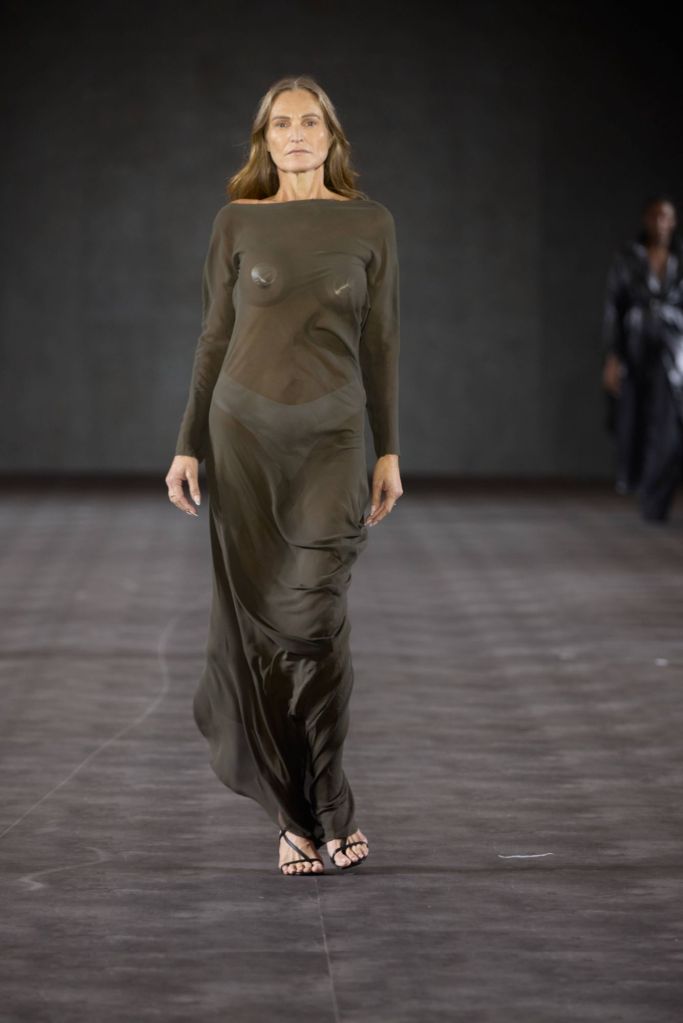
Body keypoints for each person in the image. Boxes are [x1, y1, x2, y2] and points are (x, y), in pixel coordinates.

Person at [164, 75, 403, 875]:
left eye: (308, 122)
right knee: (259, 630)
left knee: (313, 617)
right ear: (263, 141)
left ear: (331, 135)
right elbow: (212, 336)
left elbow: (381, 342)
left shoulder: (370, 223)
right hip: (242, 438)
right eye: (279, 125)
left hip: (333, 437)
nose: (295, 135)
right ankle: (299, 814)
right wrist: (187, 443)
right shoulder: (236, 221)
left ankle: (327, 792)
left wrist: (388, 450)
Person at [601, 194, 683, 521]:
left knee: (668, 427)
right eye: (655, 216)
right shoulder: (628, 258)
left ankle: (656, 497)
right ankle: (641, 487)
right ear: (646, 220)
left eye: (666, 216)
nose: (661, 223)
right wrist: (612, 355)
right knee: (633, 420)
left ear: (673, 222)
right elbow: (613, 307)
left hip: (673, 351)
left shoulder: (680, 259)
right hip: (635, 349)